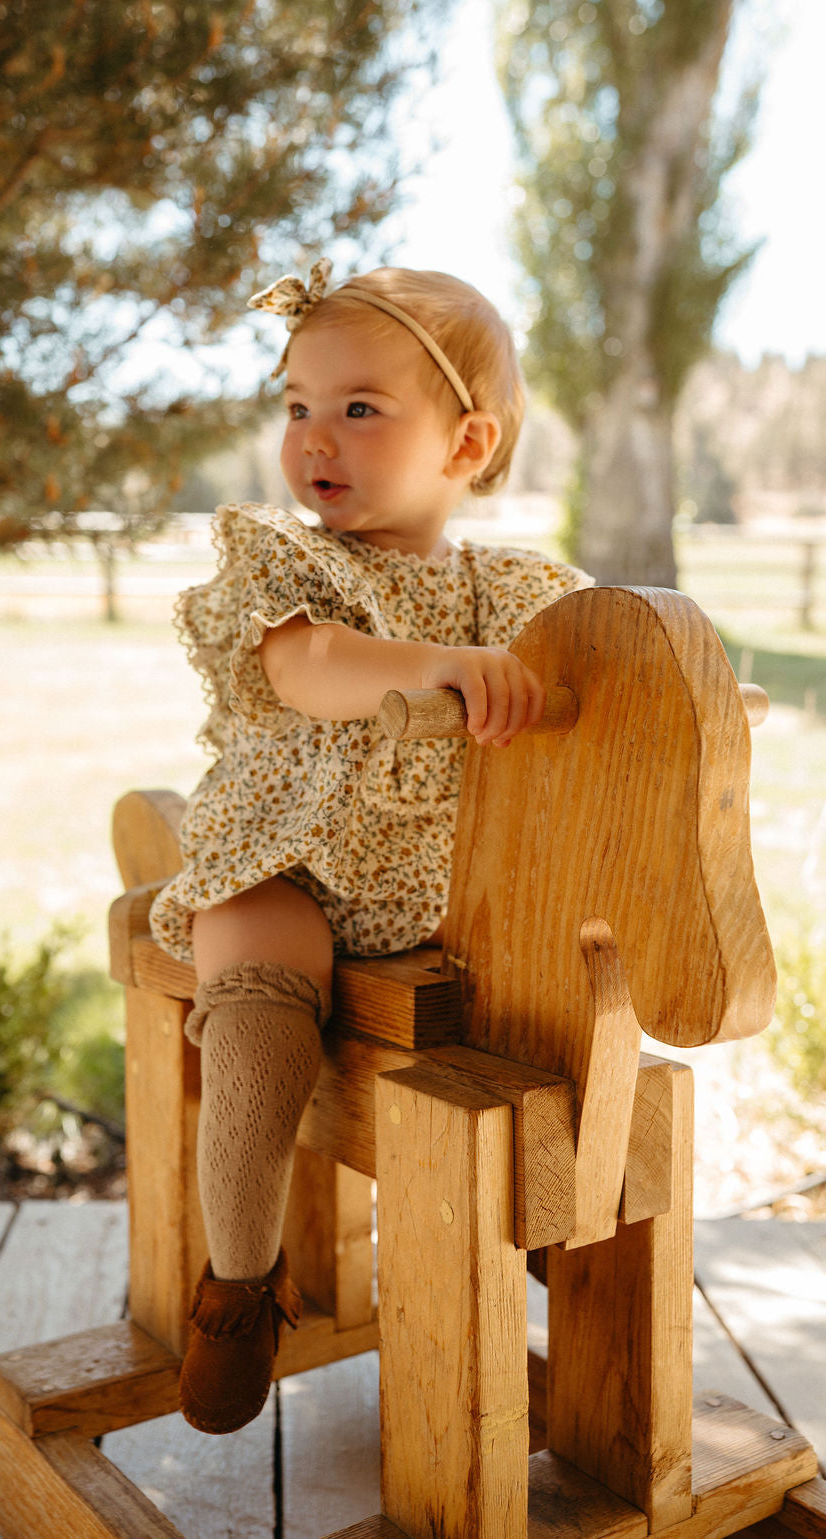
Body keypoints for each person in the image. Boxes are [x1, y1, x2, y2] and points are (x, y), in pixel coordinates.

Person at [148, 259, 592, 1435]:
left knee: (557, 991)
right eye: (296, 405)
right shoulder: (290, 567)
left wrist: (664, 687)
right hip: (285, 852)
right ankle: (238, 1287)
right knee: (257, 991)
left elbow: (593, 661)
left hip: (437, 890)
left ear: (464, 443)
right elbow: (311, 667)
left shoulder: (512, 588)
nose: (312, 438)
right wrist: (433, 667)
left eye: (358, 407)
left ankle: (552, 1220)